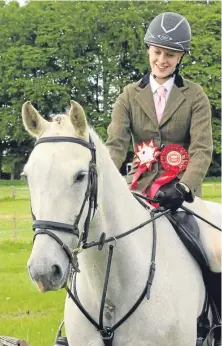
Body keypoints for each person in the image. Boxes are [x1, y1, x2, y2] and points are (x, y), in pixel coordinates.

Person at [106, 12, 221, 344]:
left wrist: (184, 186)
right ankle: (77, 322)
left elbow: (202, 148)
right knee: (99, 245)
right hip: (138, 191)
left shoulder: (195, 96)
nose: (162, 59)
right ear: (148, 50)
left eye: (169, 54)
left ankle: (215, 318)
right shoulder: (128, 96)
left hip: (178, 194)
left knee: (213, 249)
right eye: (157, 51)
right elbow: (115, 146)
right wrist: (108, 184)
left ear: (180, 56)